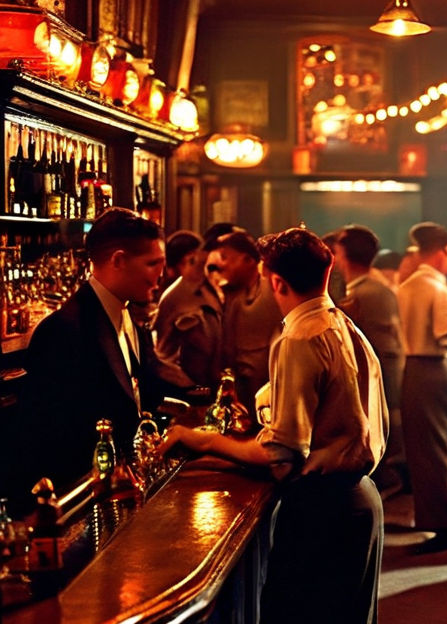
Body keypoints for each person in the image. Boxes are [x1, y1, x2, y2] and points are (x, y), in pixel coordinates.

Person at [159, 227, 386, 624]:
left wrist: (202, 440)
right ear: (328, 272)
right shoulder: (341, 323)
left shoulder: (299, 336)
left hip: (326, 508)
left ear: (275, 280)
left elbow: (284, 454)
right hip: (361, 500)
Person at [22, 207, 185, 489]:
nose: (161, 275)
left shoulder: (127, 314)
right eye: (152, 263)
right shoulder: (63, 331)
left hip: (126, 485)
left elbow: (143, 385)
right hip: (86, 494)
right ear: (118, 260)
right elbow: (49, 437)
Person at [396, 222, 447, 553]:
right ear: (442, 252)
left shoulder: (405, 285)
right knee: (437, 448)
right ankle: (443, 526)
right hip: (434, 369)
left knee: (420, 450)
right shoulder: (440, 289)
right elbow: (443, 333)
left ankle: (429, 519)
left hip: (409, 370)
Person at [335, 224, 409, 496]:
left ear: (343, 254)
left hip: (377, 384)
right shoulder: (374, 289)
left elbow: (381, 351)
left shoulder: (365, 295)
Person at [218, 228, 283, 424]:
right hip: (238, 385)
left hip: (266, 384)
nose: (222, 265)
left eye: (226, 258)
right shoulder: (227, 292)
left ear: (248, 260)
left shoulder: (272, 290)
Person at [153, 229, 223, 390]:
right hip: (185, 388)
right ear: (189, 258)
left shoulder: (208, 289)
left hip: (209, 386)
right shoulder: (174, 296)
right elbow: (163, 353)